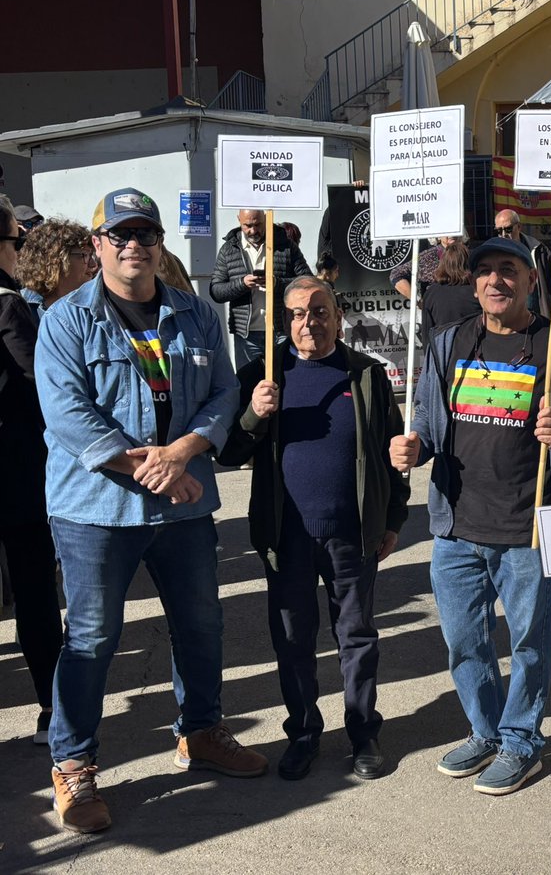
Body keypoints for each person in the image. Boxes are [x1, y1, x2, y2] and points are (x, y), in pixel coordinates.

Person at [35, 188, 267, 835]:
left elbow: (224, 391)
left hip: (183, 507)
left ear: (159, 243)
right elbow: (69, 416)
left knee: (201, 626)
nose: (133, 244)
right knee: (91, 638)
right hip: (95, 511)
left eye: (145, 233)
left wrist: (189, 449)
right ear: (97, 246)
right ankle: (73, 765)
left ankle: (200, 732)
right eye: (120, 235)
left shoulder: (195, 314)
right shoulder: (65, 320)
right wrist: (152, 470)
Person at [389, 236, 551, 796]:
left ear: (531, 280)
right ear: (473, 282)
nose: (495, 281)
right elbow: (430, 428)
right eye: (485, 272)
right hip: (456, 526)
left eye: (508, 270)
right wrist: (412, 449)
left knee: (530, 642)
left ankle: (522, 741)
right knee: (464, 641)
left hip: (527, 527)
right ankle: (483, 732)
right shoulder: (447, 342)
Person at [217, 275, 410, 781]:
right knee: (293, 640)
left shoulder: (365, 374)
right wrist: (255, 415)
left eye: (320, 311)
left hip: (351, 533)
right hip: (286, 536)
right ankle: (303, 733)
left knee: (357, 636)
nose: (310, 322)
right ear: (283, 320)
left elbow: (390, 456)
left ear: (338, 317)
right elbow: (230, 451)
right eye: (298, 313)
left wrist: (392, 518)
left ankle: (363, 733)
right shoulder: (262, 372)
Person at [0, 197, 63, 746]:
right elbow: (40, 385)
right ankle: (53, 707)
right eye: (19, 243)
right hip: (16, 476)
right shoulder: (7, 306)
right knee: (35, 593)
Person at [209, 208, 312, 368]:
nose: (253, 230)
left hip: (281, 329)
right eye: (247, 225)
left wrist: (277, 284)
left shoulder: (285, 245)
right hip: (246, 334)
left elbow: (307, 282)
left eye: (258, 224)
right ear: (239, 220)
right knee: (249, 384)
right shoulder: (229, 250)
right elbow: (216, 291)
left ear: (265, 219)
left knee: (285, 380)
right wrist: (242, 284)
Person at [14, 217, 97, 319]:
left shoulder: (98, 308)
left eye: (92, 256)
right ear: (55, 261)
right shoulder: (17, 308)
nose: (93, 265)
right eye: (84, 255)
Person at [494, 209, 551, 318]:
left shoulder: (539, 251)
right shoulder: (492, 255)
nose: (503, 235)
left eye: (508, 229)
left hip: (537, 316)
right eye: (499, 231)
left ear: (519, 227)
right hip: (508, 318)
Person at [422, 240, 480, 341]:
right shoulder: (477, 291)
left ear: (443, 263)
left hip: (443, 351)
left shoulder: (431, 293)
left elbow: (427, 333)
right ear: (468, 263)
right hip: (473, 350)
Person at [389, 234, 461, 300]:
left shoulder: (469, 254)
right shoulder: (428, 256)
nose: (452, 234)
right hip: (438, 308)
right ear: (438, 236)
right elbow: (396, 274)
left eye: (454, 229)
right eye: (447, 230)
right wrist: (417, 300)